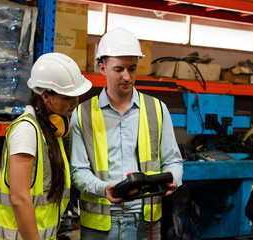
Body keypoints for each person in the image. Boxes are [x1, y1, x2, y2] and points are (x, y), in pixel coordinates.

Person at [70, 27, 183, 240]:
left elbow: (173, 160)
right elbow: (78, 171)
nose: (127, 76)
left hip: (145, 222)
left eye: (132, 68)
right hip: (100, 225)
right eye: (119, 69)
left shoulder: (157, 109)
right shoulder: (82, 113)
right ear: (102, 68)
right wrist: (105, 189)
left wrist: (174, 178)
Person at [0, 53, 92, 239]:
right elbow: (19, 199)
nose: (75, 103)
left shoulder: (51, 131)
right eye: (68, 98)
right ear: (45, 96)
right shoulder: (26, 131)